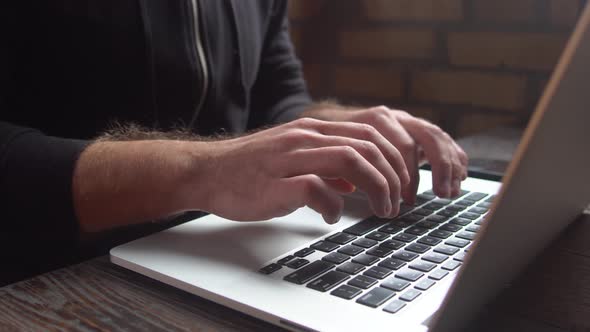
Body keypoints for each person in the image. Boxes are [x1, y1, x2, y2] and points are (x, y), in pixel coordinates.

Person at [0, 1, 467, 285]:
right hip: (57, 271)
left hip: (223, 250)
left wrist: (330, 126)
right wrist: (204, 169)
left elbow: (277, 95)